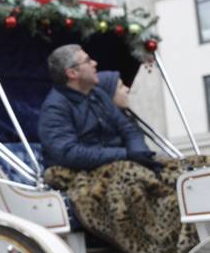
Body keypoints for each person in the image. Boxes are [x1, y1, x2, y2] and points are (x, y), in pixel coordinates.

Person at [38, 44, 161, 172]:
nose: (94, 63)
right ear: (72, 73)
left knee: (175, 173)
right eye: (87, 61)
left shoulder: (97, 93)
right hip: (81, 174)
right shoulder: (55, 108)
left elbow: (128, 128)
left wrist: (139, 153)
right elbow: (69, 154)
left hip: (119, 164)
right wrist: (126, 154)